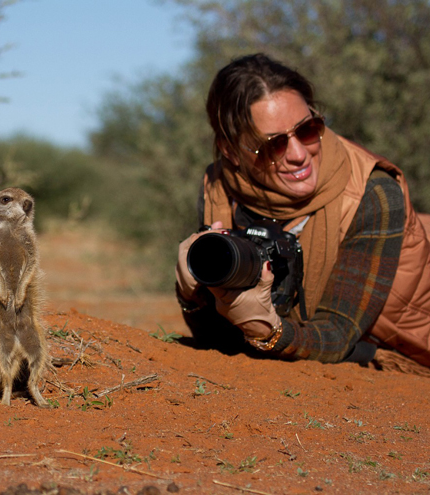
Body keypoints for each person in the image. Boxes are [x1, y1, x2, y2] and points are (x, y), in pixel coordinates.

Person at [175, 53, 430, 372]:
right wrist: (192, 295)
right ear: (230, 151)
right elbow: (219, 342)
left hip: (392, 357)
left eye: (308, 129)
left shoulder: (374, 193)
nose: (299, 154)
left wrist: (268, 329)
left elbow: (338, 336)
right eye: (273, 145)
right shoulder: (219, 188)